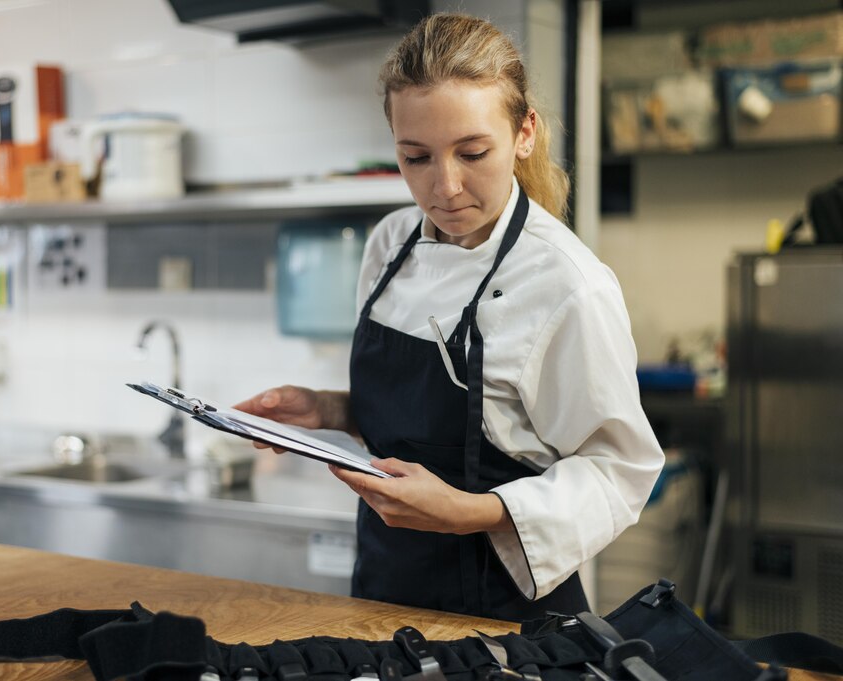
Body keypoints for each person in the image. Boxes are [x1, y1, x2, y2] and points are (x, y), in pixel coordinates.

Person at [235, 12, 664, 621]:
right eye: (416, 158)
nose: (446, 187)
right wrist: (333, 410)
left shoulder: (568, 283)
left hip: (508, 618)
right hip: (383, 595)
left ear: (524, 134)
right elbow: (436, 423)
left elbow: (619, 471)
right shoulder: (390, 244)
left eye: (472, 152)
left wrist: (471, 512)